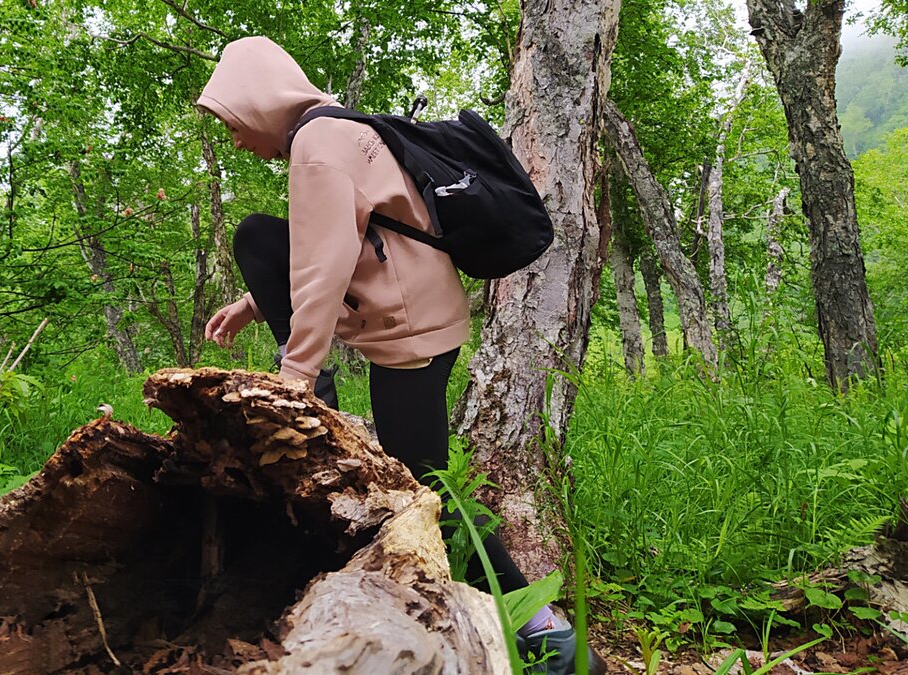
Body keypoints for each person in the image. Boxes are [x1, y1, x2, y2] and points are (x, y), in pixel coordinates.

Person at [198, 36, 605, 675]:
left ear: (258, 103)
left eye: (231, 121)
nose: (233, 137)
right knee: (255, 234)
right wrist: (255, 303)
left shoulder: (317, 144)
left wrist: (295, 377)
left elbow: (327, 262)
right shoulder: (332, 129)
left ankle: (549, 636)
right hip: (412, 311)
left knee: (424, 490)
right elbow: (319, 242)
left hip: (412, 333)